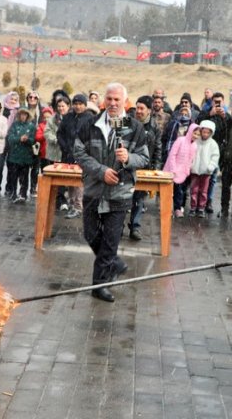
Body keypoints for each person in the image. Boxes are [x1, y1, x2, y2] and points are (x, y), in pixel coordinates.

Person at [73, 82, 149, 302]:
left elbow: (144, 157)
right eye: (109, 99)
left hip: (120, 192)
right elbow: (79, 153)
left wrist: (128, 159)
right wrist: (101, 171)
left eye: (117, 99)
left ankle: (100, 284)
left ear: (125, 101)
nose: (113, 103)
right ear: (103, 100)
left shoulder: (134, 127)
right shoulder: (90, 124)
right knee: (90, 233)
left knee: (110, 240)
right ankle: (114, 264)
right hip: (94, 188)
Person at [128, 95, 164, 241]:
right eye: (137, 107)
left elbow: (158, 149)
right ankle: (116, 227)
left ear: (149, 110)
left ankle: (135, 227)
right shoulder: (127, 122)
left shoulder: (155, 127)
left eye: (142, 108)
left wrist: (156, 168)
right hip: (127, 166)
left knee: (139, 200)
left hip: (144, 168)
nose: (138, 111)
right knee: (123, 198)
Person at [59, 94, 93, 218]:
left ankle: (78, 206)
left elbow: (92, 137)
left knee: (79, 180)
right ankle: (72, 204)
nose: (78, 106)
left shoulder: (90, 118)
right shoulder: (68, 117)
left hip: (83, 155)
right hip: (68, 153)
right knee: (70, 180)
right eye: (76, 104)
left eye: (80, 104)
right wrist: (64, 146)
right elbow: (60, 133)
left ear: (85, 105)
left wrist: (84, 149)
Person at [164, 123, 199, 218]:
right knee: (168, 191)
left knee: (179, 192)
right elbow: (172, 154)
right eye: (194, 133)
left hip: (182, 173)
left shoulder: (194, 146)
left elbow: (190, 160)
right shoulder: (180, 140)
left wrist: (187, 170)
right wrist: (173, 169)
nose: (196, 136)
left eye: (198, 134)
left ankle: (177, 209)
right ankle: (166, 209)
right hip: (172, 170)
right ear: (190, 132)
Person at [189, 120, 220, 218]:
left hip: (206, 172)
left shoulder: (213, 144)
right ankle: (193, 207)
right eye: (204, 132)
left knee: (203, 191)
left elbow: (215, 157)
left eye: (208, 132)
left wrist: (210, 167)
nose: (205, 134)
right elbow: (190, 154)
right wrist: (190, 165)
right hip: (194, 170)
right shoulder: (196, 141)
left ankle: (201, 207)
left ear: (211, 133)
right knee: (194, 189)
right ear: (201, 131)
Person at [6, 109, 37, 203]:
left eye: (25, 115)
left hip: (26, 157)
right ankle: (13, 193)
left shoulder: (31, 126)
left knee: (24, 177)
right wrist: (19, 138)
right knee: (13, 176)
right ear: (19, 115)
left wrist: (27, 140)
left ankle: (23, 194)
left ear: (28, 116)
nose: (23, 116)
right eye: (21, 114)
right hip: (14, 156)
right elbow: (10, 138)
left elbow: (33, 141)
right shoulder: (14, 125)